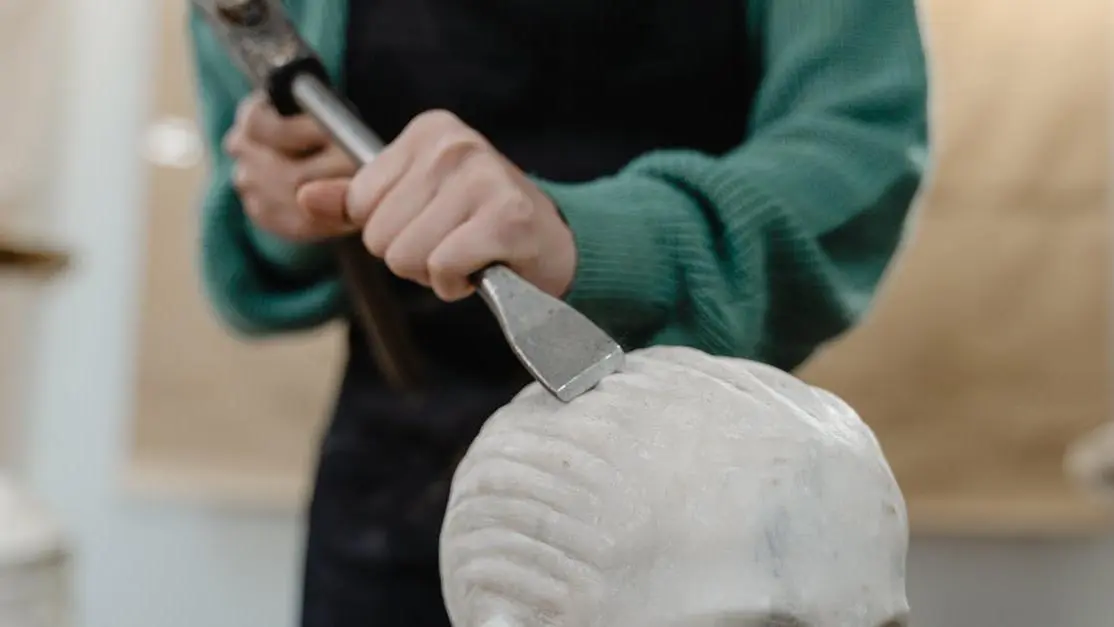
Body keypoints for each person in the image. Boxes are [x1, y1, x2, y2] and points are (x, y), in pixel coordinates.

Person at [187, 0, 929, 625]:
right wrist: (286, 202)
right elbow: (254, 172)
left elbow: (860, 145)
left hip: (721, 503)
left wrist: (599, 239)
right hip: (395, 483)